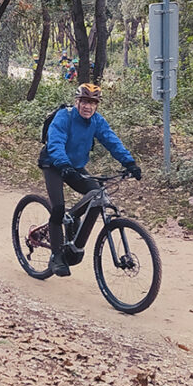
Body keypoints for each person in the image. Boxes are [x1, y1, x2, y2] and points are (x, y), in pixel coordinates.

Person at [39, 83, 140, 277]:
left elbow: (112, 141)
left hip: (75, 166)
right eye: (84, 101)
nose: (88, 107)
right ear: (77, 101)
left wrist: (129, 162)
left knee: (98, 196)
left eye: (93, 103)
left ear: (97, 106)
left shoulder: (97, 121)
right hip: (53, 164)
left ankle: (75, 244)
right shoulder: (64, 116)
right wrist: (63, 165)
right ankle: (56, 256)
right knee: (58, 208)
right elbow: (56, 142)